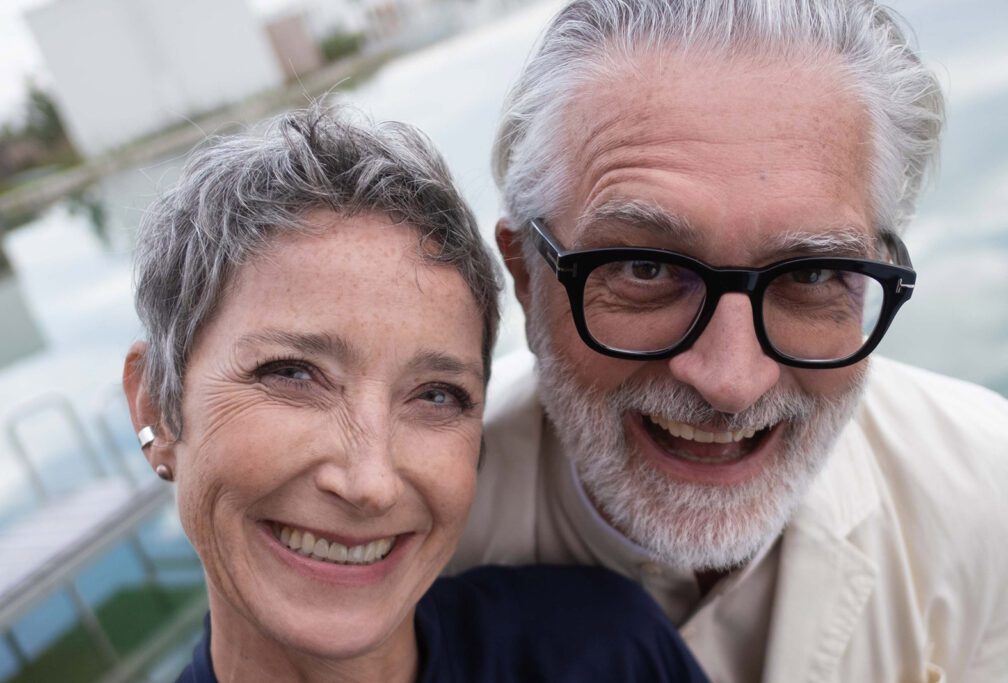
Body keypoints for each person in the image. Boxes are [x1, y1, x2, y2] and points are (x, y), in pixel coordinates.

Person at [448, 0, 1008, 681]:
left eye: (813, 272)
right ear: (527, 278)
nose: (730, 379)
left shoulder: (987, 494)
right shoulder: (412, 543)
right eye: (645, 268)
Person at [121, 103, 709, 682]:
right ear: (155, 406)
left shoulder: (609, 649)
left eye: (436, 396)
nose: (370, 484)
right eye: (292, 374)